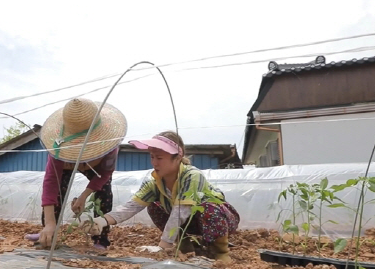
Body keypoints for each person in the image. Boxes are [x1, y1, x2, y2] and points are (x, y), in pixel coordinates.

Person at [92, 131, 239, 260]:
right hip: (190, 224)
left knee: (208, 209)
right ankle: (185, 246)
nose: (154, 162)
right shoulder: (155, 182)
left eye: (160, 158)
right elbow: (131, 206)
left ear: (177, 157)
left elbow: (180, 211)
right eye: (152, 157)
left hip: (221, 221)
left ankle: (220, 252)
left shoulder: (192, 176)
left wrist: (164, 245)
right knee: (154, 206)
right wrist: (102, 221)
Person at [37, 97, 127, 249]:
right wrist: (50, 222)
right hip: (66, 166)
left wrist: (84, 196)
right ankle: (48, 233)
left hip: (97, 171)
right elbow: (51, 182)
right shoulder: (59, 148)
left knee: (104, 193)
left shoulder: (109, 149)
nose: (81, 156)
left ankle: (100, 239)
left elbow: (105, 175)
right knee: (58, 193)